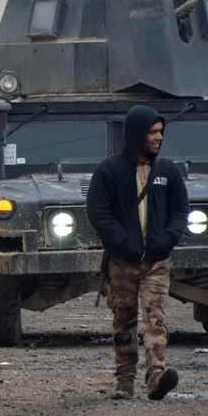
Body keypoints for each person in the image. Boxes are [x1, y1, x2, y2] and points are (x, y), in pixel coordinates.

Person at [86, 106, 189, 400]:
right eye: (152, 132)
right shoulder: (109, 171)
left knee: (154, 318)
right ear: (136, 135)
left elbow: (180, 210)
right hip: (122, 263)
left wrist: (167, 239)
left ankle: (156, 375)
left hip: (156, 262)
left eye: (161, 132)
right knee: (124, 321)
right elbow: (98, 212)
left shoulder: (168, 172)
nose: (159, 138)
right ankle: (124, 380)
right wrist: (123, 243)